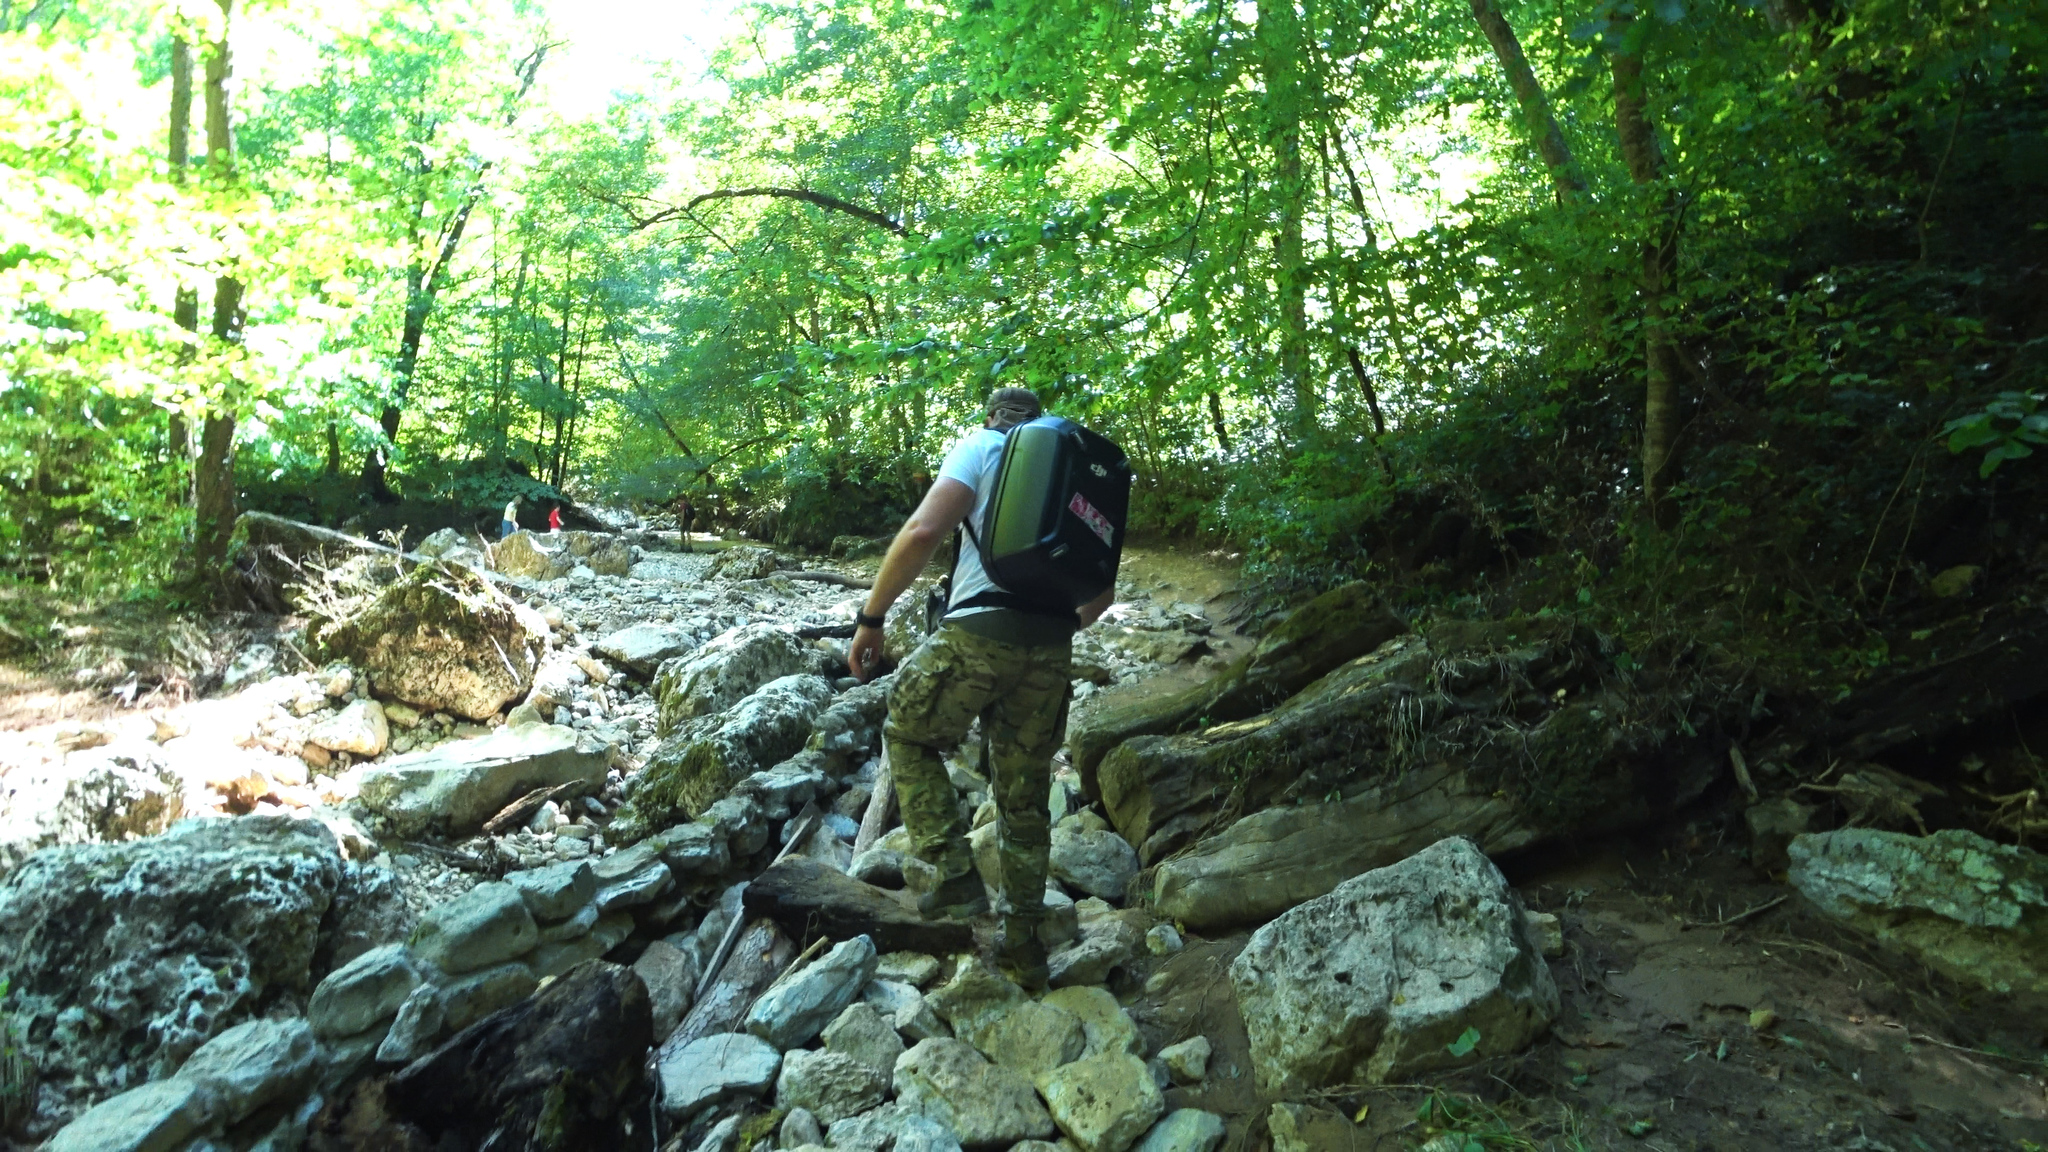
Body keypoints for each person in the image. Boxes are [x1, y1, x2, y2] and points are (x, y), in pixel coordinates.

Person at [847, 387, 1115, 988]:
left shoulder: (982, 447)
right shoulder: (1073, 482)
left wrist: (871, 618)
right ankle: (1024, 950)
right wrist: (1046, 630)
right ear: (1040, 422)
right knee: (1023, 799)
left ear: (992, 417)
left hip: (975, 634)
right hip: (1050, 650)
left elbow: (923, 531)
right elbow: (1102, 597)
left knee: (908, 734)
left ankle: (955, 877)